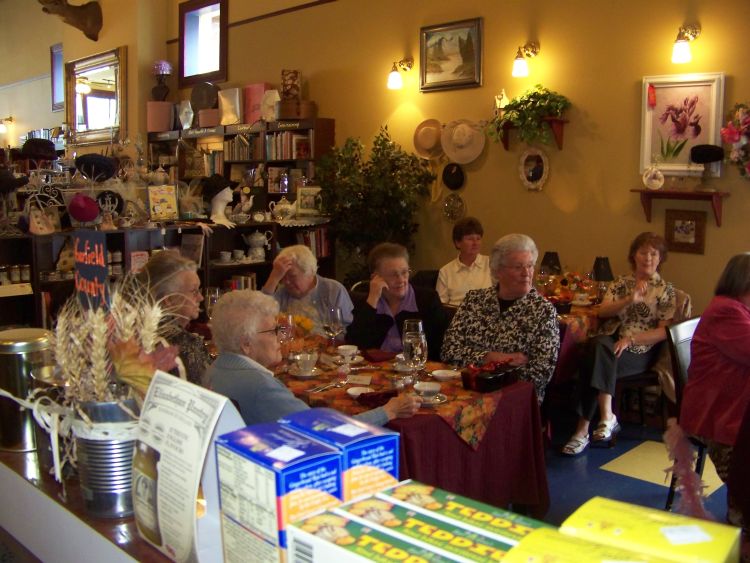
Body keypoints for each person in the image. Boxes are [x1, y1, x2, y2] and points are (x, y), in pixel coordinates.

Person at [207, 290, 421, 425]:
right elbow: (324, 432)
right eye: (273, 331)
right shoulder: (260, 386)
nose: (280, 338)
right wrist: (388, 411)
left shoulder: (214, 370)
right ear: (246, 344)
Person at [562, 232, 676, 455]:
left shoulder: (665, 290)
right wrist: (628, 300)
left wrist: (631, 339)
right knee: (599, 348)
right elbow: (602, 311)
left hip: (640, 349)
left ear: (660, 258)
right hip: (611, 342)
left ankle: (581, 431)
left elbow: (664, 331)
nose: (648, 258)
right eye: (643, 252)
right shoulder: (620, 283)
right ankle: (606, 417)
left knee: (593, 360)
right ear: (634, 255)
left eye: (654, 254)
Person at [441, 233, 559, 404]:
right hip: (465, 391)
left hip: (513, 400)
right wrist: (490, 358)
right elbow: (448, 352)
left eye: (530, 265)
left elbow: (540, 374)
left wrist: (483, 370)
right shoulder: (475, 301)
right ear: (497, 270)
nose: (527, 273)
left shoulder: (543, 311)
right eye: (518, 267)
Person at [680, 253, 750, 536]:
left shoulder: (738, 309)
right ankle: (741, 527)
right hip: (720, 414)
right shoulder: (727, 312)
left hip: (732, 406)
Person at [346, 243, 449, 360]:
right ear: (376, 277)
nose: (401, 280)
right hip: (377, 371)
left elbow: (440, 349)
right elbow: (354, 345)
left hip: (416, 370)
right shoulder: (368, 303)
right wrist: (372, 299)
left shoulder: (428, 300)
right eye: (393, 274)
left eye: (405, 272)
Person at [139, 250, 211, 387]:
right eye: (194, 291)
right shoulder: (184, 345)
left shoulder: (132, 332)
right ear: (169, 300)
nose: (201, 298)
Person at [262, 244, 353, 336]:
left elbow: (344, 332)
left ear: (310, 272)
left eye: (292, 276)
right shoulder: (282, 292)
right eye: (282, 276)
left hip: (326, 348)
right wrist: (273, 278)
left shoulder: (333, 290)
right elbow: (259, 315)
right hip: (291, 348)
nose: (286, 282)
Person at [436, 216, 493, 307]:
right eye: (470, 239)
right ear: (458, 243)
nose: (475, 243)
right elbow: (441, 306)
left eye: (478, 238)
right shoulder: (446, 272)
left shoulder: (492, 264)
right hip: (455, 317)